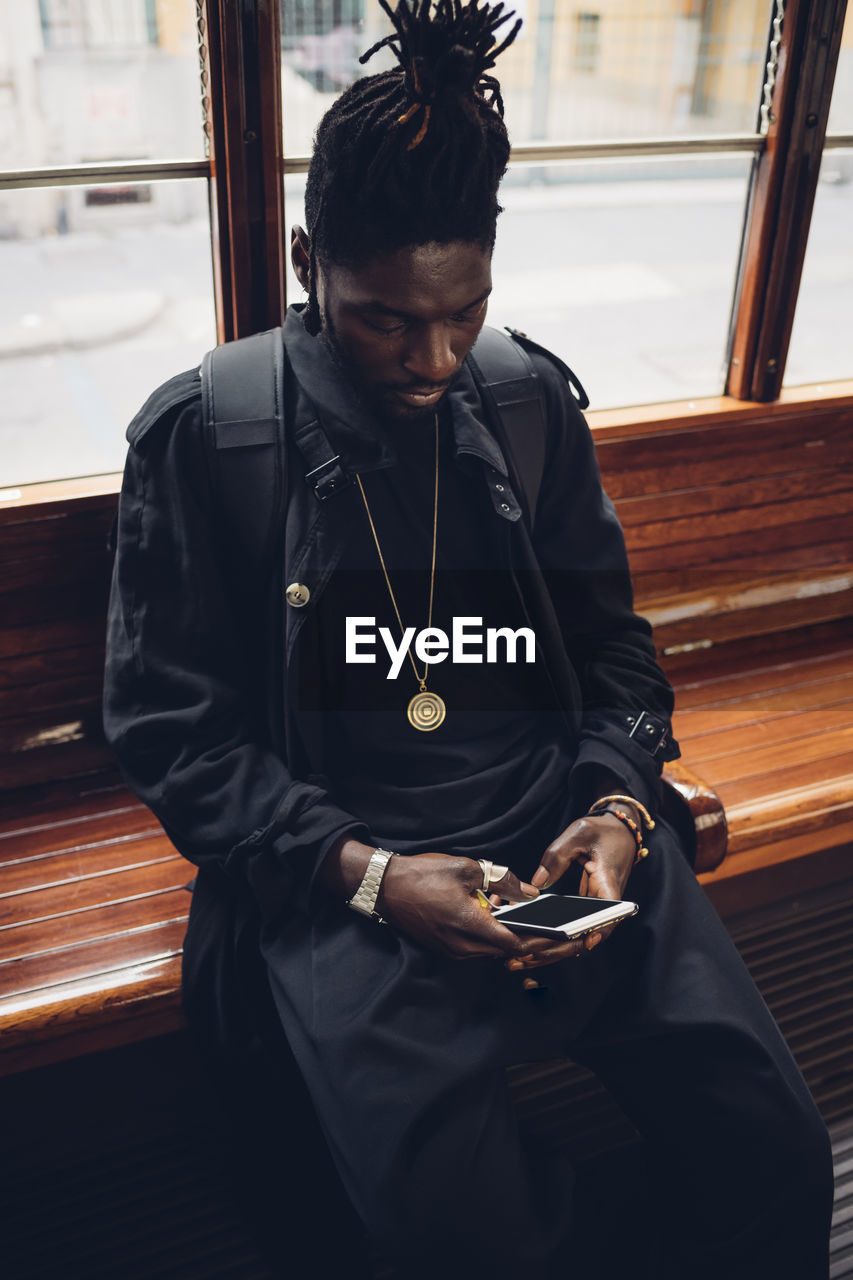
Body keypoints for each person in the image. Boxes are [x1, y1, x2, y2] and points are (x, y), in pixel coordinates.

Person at [103, 1, 834, 1275]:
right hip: (350, 872)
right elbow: (171, 727)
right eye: (386, 316)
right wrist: (372, 875)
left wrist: (614, 805)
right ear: (305, 261)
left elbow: (614, 651)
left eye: (463, 310)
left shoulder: (527, 397)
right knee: (455, 1232)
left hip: (562, 836)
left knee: (772, 1149)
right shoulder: (209, 432)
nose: (432, 354)